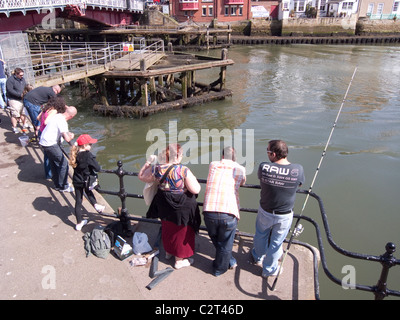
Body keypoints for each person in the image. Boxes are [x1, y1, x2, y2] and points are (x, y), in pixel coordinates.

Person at [138, 144, 201, 269]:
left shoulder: (157, 169)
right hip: (181, 207)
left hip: (163, 204)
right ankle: (179, 260)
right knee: (181, 232)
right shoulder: (183, 170)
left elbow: (141, 176)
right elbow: (196, 189)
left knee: (167, 228)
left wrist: (148, 162)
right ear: (177, 156)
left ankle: (168, 252)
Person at [251, 140, 305, 278]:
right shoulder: (297, 169)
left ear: (273, 154)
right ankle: (269, 270)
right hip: (284, 215)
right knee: (276, 242)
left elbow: (261, 179)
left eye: (268, 151)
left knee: (261, 235)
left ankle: (258, 257)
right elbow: (299, 185)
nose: (267, 154)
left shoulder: (264, 167)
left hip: (265, 211)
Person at [203, 146, 246, 276]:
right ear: (235, 158)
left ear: (222, 156)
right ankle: (219, 269)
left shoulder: (213, 165)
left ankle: (230, 261)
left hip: (209, 211)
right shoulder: (240, 169)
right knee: (226, 244)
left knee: (216, 238)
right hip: (228, 213)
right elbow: (242, 183)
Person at [39, 97, 77, 192]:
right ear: (71, 117)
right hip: (50, 144)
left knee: (53, 162)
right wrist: (71, 136)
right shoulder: (62, 121)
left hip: (44, 141)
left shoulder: (58, 115)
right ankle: (63, 186)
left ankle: (57, 184)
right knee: (63, 164)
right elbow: (67, 138)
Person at [69, 134, 105, 231]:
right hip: (85, 180)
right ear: (84, 145)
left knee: (78, 201)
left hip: (76, 180)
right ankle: (96, 205)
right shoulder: (88, 155)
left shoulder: (74, 153)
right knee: (89, 191)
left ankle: (79, 223)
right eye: (90, 144)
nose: (91, 146)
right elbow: (97, 168)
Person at [37, 96, 66, 179]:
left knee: (47, 156)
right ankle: (50, 175)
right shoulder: (54, 111)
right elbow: (46, 122)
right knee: (50, 157)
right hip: (47, 134)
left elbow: (38, 118)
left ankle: (48, 174)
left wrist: (42, 124)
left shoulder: (46, 109)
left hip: (41, 132)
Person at [6, 68, 28, 133]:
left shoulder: (22, 79)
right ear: (16, 74)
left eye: (22, 75)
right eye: (20, 75)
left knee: (23, 112)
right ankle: (14, 127)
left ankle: (24, 124)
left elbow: (25, 86)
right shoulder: (10, 80)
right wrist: (19, 95)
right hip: (14, 99)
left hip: (22, 99)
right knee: (15, 114)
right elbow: (10, 90)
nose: (22, 76)